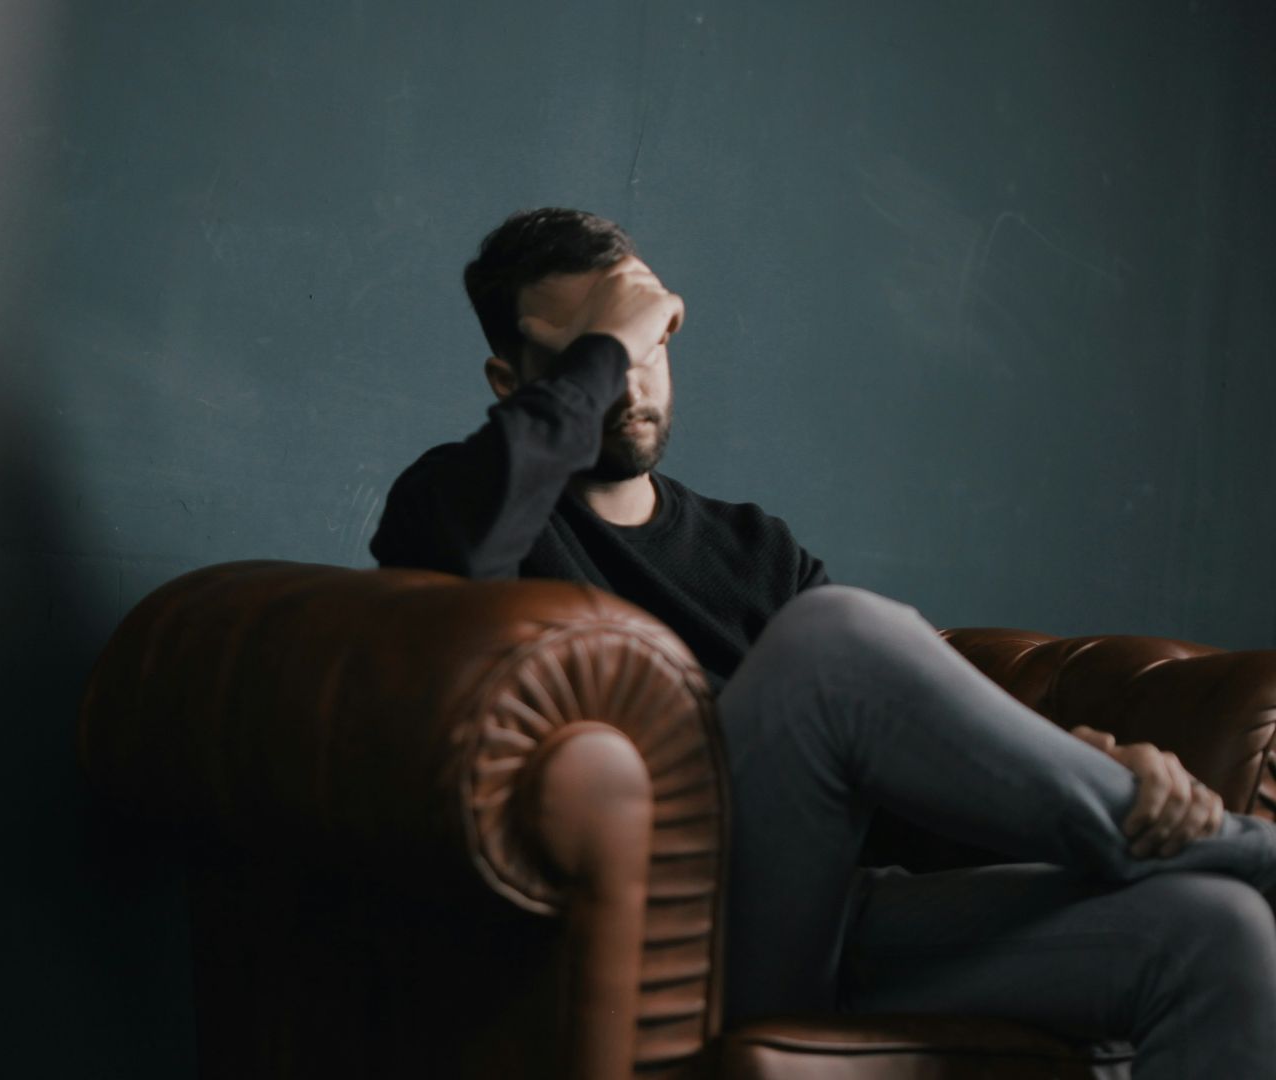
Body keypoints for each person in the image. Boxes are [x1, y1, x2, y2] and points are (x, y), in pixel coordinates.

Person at [369, 207, 1276, 1077]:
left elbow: (898, 777)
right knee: (835, 636)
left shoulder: (755, 549)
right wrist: (611, 341)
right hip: (676, 944)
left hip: (838, 924)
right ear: (512, 383)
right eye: (594, 358)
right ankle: (1239, 847)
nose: (631, 383)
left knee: (1218, 929)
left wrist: (1068, 765)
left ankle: (1189, 848)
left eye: (649, 348)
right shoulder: (458, 505)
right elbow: (464, 549)